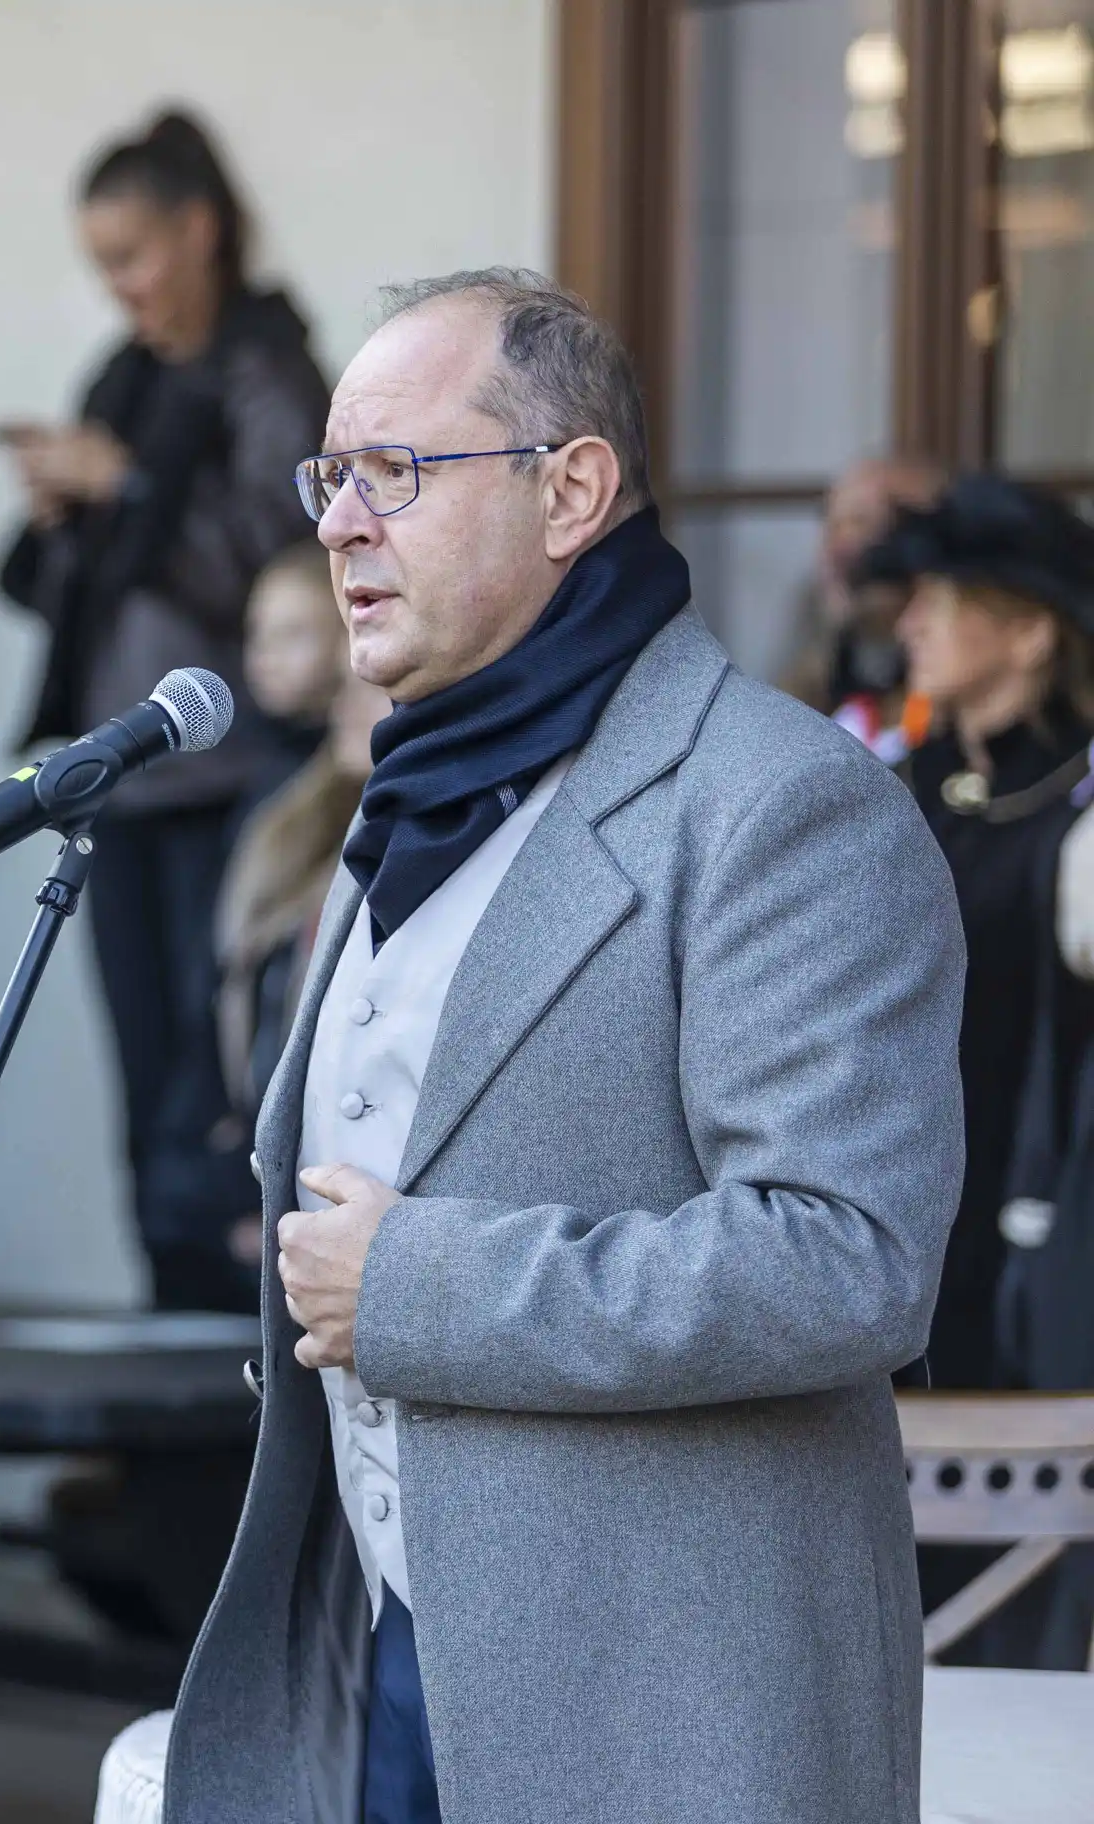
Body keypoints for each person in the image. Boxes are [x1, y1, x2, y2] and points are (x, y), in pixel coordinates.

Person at [163, 270, 960, 1824]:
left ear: (571, 490)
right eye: (329, 477)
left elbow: (849, 1256)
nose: (337, 524)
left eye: (394, 472)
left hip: (656, 1707)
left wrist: (418, 1287)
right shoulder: (401, 802)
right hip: (373, 1660)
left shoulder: (782, 804)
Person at [0, 108, 329, 1313]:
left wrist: (123, 483)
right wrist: (63, 514)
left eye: (131, 256)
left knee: (220, 1091)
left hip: (233, 776)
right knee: (145, 1092)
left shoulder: (270, 373)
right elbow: (96, 572)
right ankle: (160, 1382)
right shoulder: (127, 377)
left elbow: (299, 568)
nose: (119, 287)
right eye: (101, 265)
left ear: (200, 231)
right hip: (124, 777)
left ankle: (227, 1401)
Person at [856, 473, 1094, 1395]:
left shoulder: (1075, 809)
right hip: (895, 1220)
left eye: (943, 601)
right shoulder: (900, 788)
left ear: (1032, 632)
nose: (910, 623)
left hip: (1033, 1233)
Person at [212, 555, 386, 1287]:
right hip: (256, 1178)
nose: (349, 702)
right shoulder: (286, 818)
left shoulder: (407, 834)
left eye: (367, 686)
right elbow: (230, 989)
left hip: (348, 1202)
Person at [775, 455, 943, 753]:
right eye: (831, 525)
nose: (836, 548)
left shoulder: (951, 681)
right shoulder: (817, 615)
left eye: (860, 523)